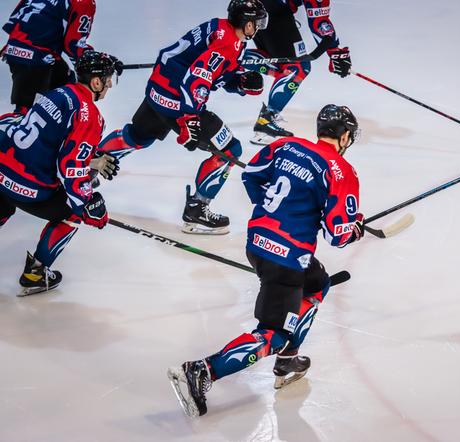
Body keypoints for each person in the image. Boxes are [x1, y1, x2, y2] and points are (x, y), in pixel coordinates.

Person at [168, 104, 363, 417]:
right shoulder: (341, 171)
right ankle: (203, 370)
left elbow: (252, 175)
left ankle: (287, 358)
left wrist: (273, 212)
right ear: (346, 136)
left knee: (317, 284)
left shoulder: (286, 145)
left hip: (257, 243)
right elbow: (337, 235)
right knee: (271, 333)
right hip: (287, 259)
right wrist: (354, 229)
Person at [95, 0, 268, 235]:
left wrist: (240, 81)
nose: (258, 27)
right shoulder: (228, 43)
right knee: (231, 151)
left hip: (158, 91)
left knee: (138, 136)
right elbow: (196, 80)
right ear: (246, 24)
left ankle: (89, 164)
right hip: (179, 101)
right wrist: (189, 118)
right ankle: (197, 210)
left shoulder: (220, 28)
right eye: (256, 22)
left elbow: (213, 72)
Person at [0, 51, 121, 296]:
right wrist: (88, 205)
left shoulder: (56, 92)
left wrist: (93, 162)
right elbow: (71, 168)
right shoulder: (91, 117)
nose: (109, 85)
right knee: (73, 213)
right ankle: (35, 273)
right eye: (107, 79)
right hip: (28, 188)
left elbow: (18, 125)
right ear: (95, 82)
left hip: (2, 172)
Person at [244, 0, 352, 146]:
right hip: (271, 10)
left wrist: (335, 51)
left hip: (252, 8)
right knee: (298, 66)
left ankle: (228, 56)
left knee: (282, 66)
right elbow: (319, 20)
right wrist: (335, 51)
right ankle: (266, 122)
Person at [1, 0, 120, 115]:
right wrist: (100, 61)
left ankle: (55, 124)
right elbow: (73, 44)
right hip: (36, 57)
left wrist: (15, 46)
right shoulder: (84, 2)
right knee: (27, 113)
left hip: (16, 49)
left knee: (66, 83)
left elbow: (15, 21)